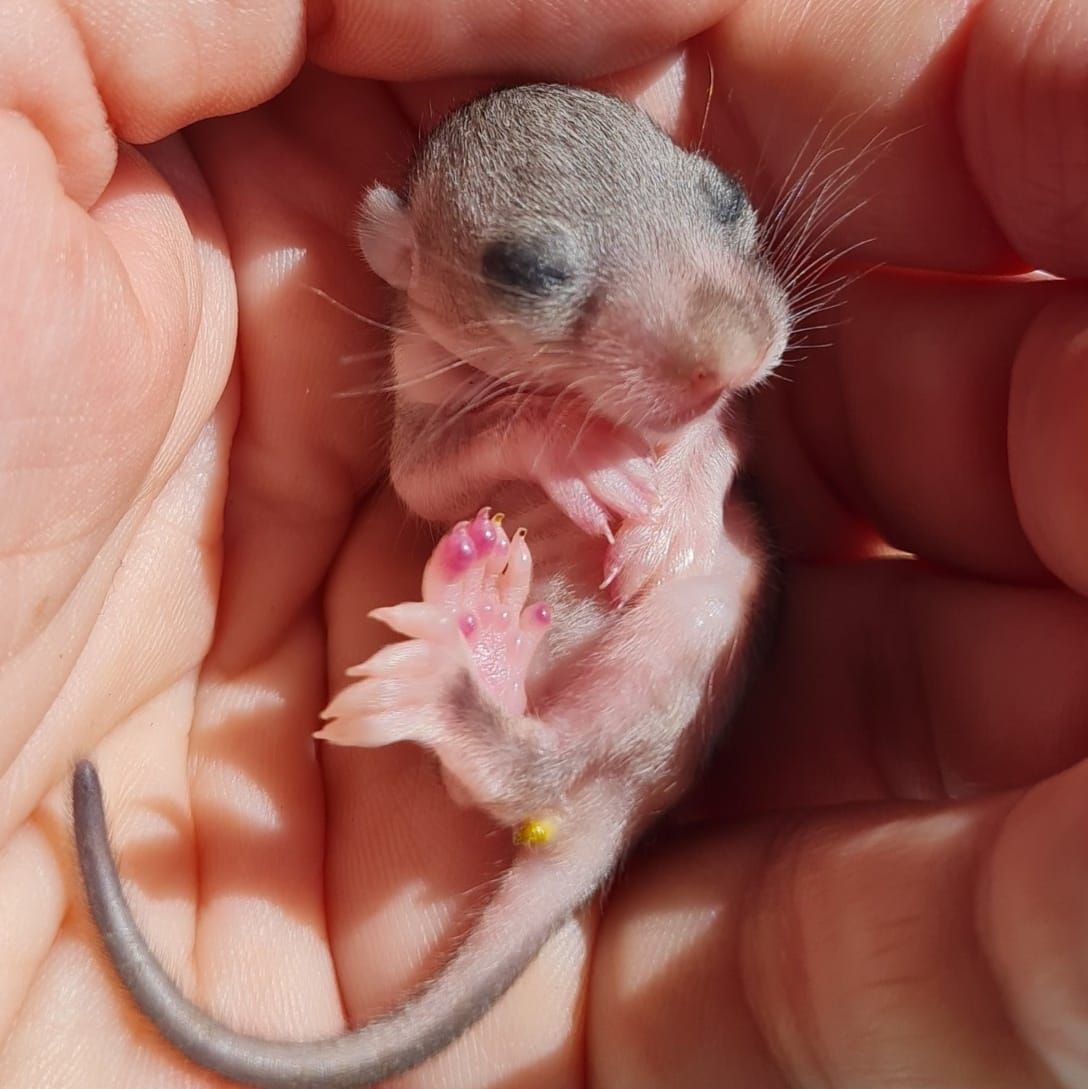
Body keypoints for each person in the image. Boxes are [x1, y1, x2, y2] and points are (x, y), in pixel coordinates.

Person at [2, 0, 1085, 1085]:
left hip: (619, 688)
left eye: (719, 210)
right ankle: (511, 761)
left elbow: (713, 453)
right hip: (557, 719)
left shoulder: (668, 378)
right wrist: (531, 436)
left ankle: (521, 764)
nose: (722, 341)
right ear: (401, 256)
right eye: (540, 275)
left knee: (726, 576)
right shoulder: (439, 359)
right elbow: (422, 476)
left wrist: (685, 493)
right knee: (678, 628)